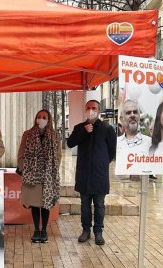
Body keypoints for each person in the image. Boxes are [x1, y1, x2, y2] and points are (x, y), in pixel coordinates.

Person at [67, 100, 116, 246]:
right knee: (85, 204)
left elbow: (112, 151)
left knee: (100, 204)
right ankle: (86, 230)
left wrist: (101, 163)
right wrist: (84, 131)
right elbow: (70, 143)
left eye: (93, 108)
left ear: (99, 110)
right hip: (84, 174)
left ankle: (98, 232)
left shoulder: (107, 128)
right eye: (88, 108)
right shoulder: (79, 127)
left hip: (100, 174)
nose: (91, 110)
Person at [17, 109, 61, 243]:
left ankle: (44, 230)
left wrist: (53, 170)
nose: (41, 119)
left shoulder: (54, 135)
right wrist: (25, 168)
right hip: (32, 174)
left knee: (45, 204)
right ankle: (36, 229)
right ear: (35, 119)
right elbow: (21, 153)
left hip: (47, 174)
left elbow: (58, 155)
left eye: (44, 117)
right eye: (39, 117)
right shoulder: (28, 134)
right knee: (35, 204)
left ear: (49, 120)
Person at [115, 99, 152, 174]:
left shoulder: (150, 142)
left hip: (144, 184)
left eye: (135, 112)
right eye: (128, 113)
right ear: (121, 119)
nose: (132, 115)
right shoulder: (115, 143)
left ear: (139, 117)